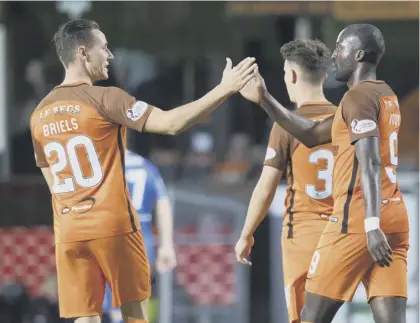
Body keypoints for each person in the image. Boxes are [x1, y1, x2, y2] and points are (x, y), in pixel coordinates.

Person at [29, 19, 257, 323]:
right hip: (114, 225)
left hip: (69, 230)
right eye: (104, 48)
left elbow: (53, 184)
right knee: (135, 315)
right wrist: (224, 89)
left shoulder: (39, 114)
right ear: (83, 53)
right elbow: (172, 123)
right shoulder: (107, 99)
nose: (109, 55)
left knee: (85, 317)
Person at [239, 24, 409, 323]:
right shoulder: (386, 95)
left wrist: (370, 224)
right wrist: (264, 98)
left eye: (341, 48)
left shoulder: (357, 98)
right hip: (395, 217)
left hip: (356, 219)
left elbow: (369, 162)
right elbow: (313, 135)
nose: (335, 55)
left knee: (310, 317)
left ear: (358, 55)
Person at [235, 39, 336, 323]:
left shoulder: (286, 124)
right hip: (342, 232)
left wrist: (246, 234)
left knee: (304, 317)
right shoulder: (345, 117)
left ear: (290, 75)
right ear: (325, 75)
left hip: (302, 233)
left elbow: (266, 186)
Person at [103, 148, 176, 323]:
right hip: (142, 240)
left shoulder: (100, 165)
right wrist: (166, 245)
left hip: (110, 238)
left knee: (112, 309)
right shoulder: (145, 165)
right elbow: (163, 201)